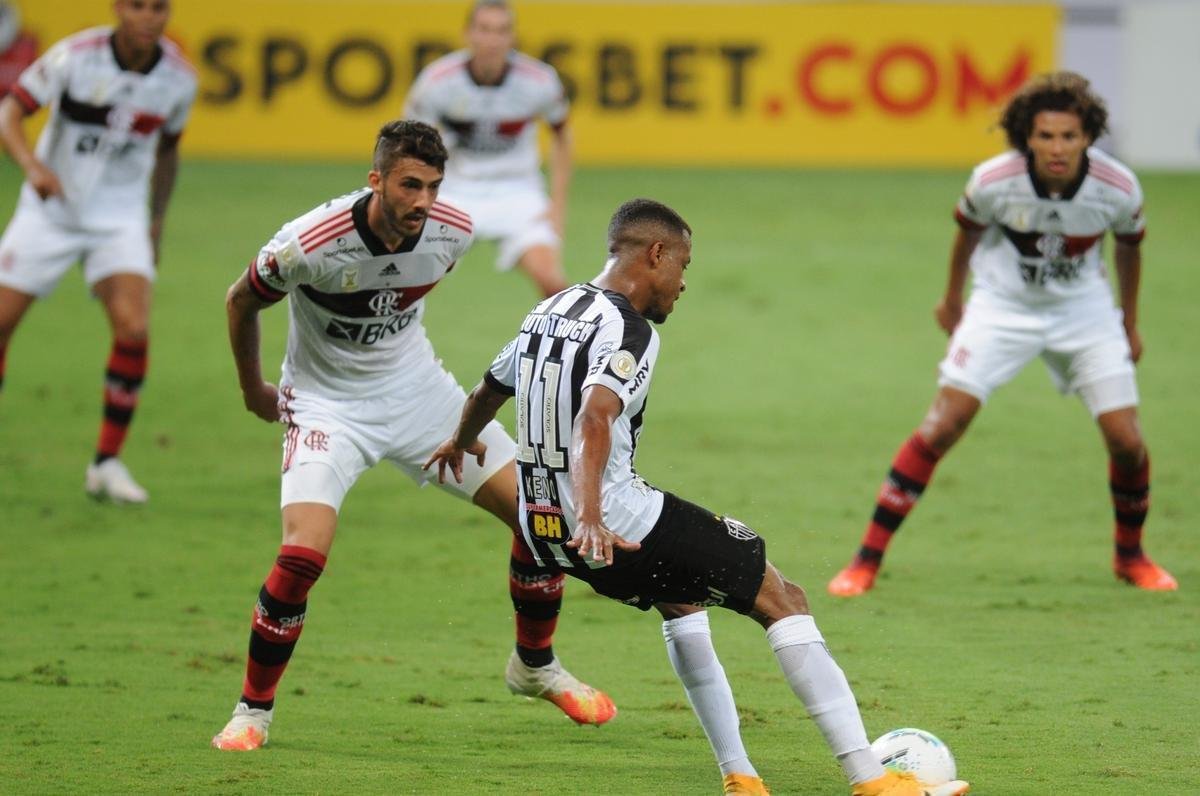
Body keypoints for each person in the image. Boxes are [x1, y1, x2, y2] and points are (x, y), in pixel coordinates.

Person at [426, 199, 970, 796]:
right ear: (656, 254)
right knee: (783, 598)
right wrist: (592, 515)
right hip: (610, 523)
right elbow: (594, 417)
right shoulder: (629, 329)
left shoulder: (548, 309)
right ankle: (872, 780)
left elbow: (488, 389)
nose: (683, 283)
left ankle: (741, 778)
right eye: (683, 265)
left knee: (681, 601)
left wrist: (460, 442)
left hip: (542, 531)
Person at [211, 120, 614, 752]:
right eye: (408, 185)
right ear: (375, 181)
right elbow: (241, 300)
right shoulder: (307, 245)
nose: (423, 200)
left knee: (541, 517)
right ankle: (252, 711)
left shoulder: (455, 231)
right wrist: (252, 389)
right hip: (325, 408)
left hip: (420, 396)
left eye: (433, 186)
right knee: (302, 555)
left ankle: (534, 666)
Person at [828, 71, 1177, 597]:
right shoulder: (993, 181)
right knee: (942, 426)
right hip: (1002, 307)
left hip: (1085, 314)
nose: (1056, 148)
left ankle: (1132, 557)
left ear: (1087, 137)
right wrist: (953, 300)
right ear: (1026, 137)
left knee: (1127, 441)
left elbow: (1130, 249)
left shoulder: (1118, 187)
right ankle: (864, 562)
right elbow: (965, 237)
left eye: (1069, 136)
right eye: (1045, 136)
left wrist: (1128, 322)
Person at [0, 0, 195, 503]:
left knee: (133, 328)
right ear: (118, 9)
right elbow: (9, 113)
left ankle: (106, 464)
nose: (149, 17)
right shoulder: (75, 56)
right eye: (138, 6)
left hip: (119, 218)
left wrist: (155, 221)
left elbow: (168, 150)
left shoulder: (179, 78)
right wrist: (33, 168)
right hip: (49, 212)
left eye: (159, 8)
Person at [402, 0, 570, 298]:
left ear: (512, 37)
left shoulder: (539, 80)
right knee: (407, 281)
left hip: (518, 191)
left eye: (501, 31)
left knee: (553, 284)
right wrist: (414, 197)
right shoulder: (438, 81)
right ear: (468, 33)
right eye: (485, 29)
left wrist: (557, 205)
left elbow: (562, 135)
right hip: (453, 190)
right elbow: (409, 144)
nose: (493, 40)